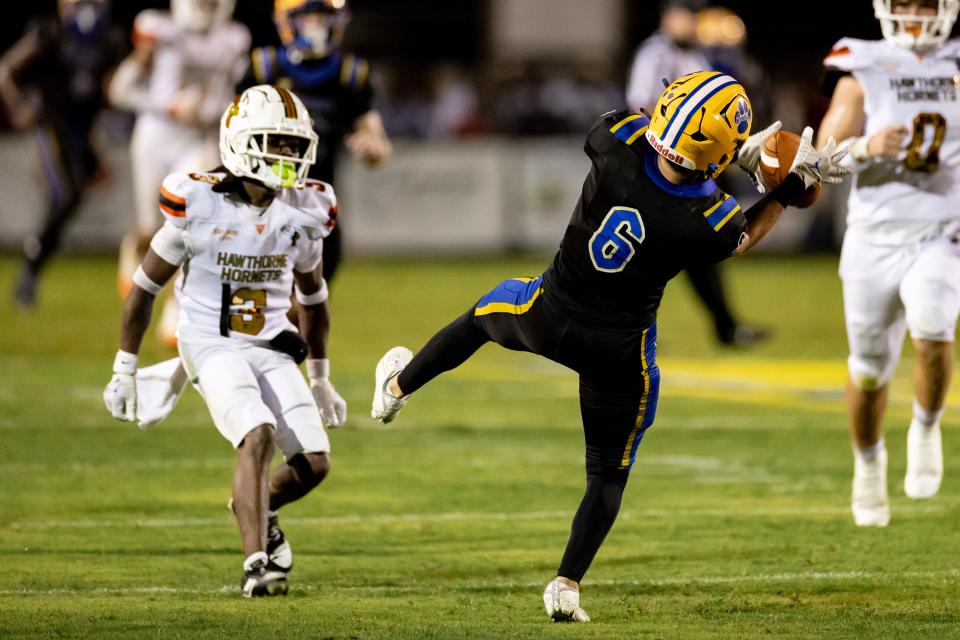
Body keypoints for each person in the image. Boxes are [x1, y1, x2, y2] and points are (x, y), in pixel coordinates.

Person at [370, 71, 847, 621]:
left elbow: (649, 129)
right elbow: (739, 234)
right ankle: (566, 584)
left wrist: (731, 147)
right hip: (619, 353)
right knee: (607, 474)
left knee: (480, 319)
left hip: (546, 315)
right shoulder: (706, 218)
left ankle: (396, 387)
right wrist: (781, 187)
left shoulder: (612, 142)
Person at [103, 85, 347, 597]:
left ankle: (260, 506)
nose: (288, 156)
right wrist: (125, 366)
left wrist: (321, 379)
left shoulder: (304, 211)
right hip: (208, 342)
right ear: (240, 143)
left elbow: (314, 300)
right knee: (255, 433)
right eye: (276, 143)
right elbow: (144, 290)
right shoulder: (198, 203)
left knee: (314, 464)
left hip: (268, 343)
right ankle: (256, 563)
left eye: (292, 145)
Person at [816, 0, 960, 527]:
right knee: (871, 369)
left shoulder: (956, 61)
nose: (917, 15)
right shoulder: (863, 66)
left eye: (926, 5)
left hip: (942, 228)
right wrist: (865, 146)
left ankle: (926, 424)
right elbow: (821, 157)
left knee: (932, 328)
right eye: (908, 5)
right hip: (874, 234)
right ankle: (869, 463)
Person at [626, 0, 769, 347]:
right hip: (660, 167)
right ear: (667, 17)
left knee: (697, 250)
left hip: (693, 170)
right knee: (666, 250)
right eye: (685, 14)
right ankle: (725, 327)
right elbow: (640, 105)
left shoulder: (698, 54)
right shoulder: (654, 53)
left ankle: (726, 326)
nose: (691, 21)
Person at [109, 0, 250, 343]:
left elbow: (233, 91)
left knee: (188, 223)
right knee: (150, 228)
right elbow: (120, 90)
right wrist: (166, 105)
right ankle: (135, 244)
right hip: (156, 134)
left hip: (197, 137)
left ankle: (175, 308)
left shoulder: (234, 37)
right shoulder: (160, 28)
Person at [241, 0, 391, 285]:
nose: (316, 26)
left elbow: (379, 147)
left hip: (319, 204)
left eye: (323, 17)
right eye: (308, 17)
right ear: (287, 21)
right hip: (265, 202)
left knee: (312, 305)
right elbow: (232, 133)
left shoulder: (349, 73)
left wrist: (371, 150)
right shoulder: (265, 67)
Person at [1, 0, 125, 307]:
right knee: (65, 195)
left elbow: (107, 88)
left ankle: (34, 263)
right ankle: (31, 268)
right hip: (52, 126)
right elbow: (8, 70)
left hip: (83, 132)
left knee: (73, 198)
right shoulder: (50, 32)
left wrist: (100, 143)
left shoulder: (109, 37)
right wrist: (21, 108)